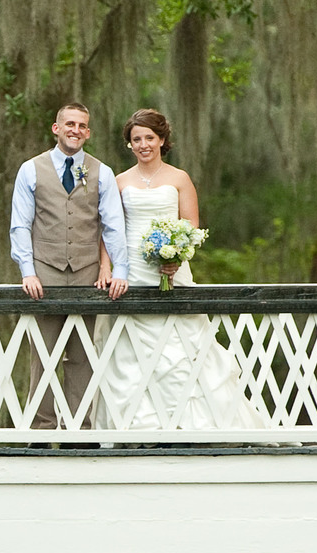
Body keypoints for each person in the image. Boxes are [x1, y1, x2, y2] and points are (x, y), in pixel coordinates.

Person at [98, 108, 257, 431]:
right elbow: (108, 230)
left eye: (149, 138)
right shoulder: (120, 181)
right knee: (132, 351)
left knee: (183, 345)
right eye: (136, 139)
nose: (143, 145)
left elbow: (191, 226)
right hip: (133, 273)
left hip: (171, 270)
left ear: (162, 140)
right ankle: (139, 428)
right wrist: (107, 268)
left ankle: (195, 426)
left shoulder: (179, 178)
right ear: (129, 144)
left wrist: (176, 256)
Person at [9, 101, 130, 431]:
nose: (75, 130)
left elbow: (113, 225)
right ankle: (41, 428)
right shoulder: (30, 169)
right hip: (44, 273)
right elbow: (20, 224)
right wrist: (27, 271)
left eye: (82, 126)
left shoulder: (101, 172)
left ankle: (79, 428)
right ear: (57, 128)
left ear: (88, 133)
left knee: (82, 355)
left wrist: (119, 270)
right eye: (70, 124)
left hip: (87, 274)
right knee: (43, 354)